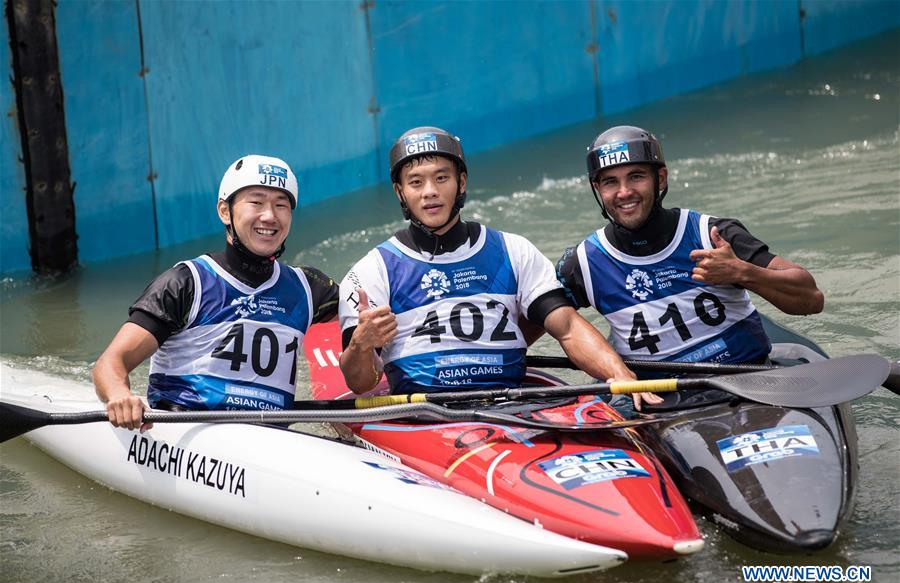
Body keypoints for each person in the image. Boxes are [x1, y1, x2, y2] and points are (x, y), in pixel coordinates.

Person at [338, 126, 658, 408]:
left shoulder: (513, 250)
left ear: (461, 182)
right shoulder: (371, 271)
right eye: (416, 182)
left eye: (441, 178)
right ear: (400, 192)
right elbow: (361, 384)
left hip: (512, 404)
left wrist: (620, 375)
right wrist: (360, 345)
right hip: (427, 416)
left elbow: (568, 328)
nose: (430, 191)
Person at [557, 125, 824, 407]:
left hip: (749, 383)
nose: (624, 192)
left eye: (636, 177)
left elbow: (811, 299)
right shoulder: (583, 262)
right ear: (598, 189)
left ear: (660, 178)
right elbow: (541, 321)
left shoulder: (714, 235)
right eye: (610, 182)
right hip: (658, 402)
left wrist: (742, 272)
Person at [93, 155, 339, 430]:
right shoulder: (186, 283)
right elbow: (110, 362)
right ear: (225, 211)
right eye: (256, 202)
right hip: (186, 437)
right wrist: (119, 395)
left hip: (271, 444)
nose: (270, 216)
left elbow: (370, 311)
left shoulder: (308, 287)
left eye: (281, 205)